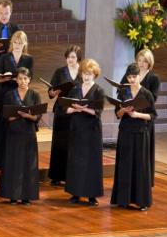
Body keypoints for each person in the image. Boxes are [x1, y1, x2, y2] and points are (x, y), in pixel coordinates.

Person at [111, 64, 156, 211]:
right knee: (124, 165)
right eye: (129, 77)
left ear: (139, 76)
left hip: (140, 133)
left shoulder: (146, 94)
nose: (131, 80)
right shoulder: (123, 92)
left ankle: (141, 201)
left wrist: (137, 114)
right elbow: (117, 114)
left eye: (134, 77)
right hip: (125, 131)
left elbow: (152, 115)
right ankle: (123, 200)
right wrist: (123, 110)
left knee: (140, 166)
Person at [65, 59, 105, 206]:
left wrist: (84, 109)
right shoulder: (75, 89)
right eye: (84, 73)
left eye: (89, 74)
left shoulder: (99, 90)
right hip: (77, 129)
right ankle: (75, 193)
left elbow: (98, 112)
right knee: (76, 161)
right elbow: (66, 109)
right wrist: (75, 109)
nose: (86, 77)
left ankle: (91, 195)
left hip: (92, 131)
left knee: (91, 162)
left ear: (94, 74)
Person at [0, 67, 41, 205]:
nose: (23, 81)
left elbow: (36, 116)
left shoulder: (35, 95)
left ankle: (26, 196)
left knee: (28, 165)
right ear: (16, 79)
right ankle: (12, 195)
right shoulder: (10, 95)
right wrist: (20, 115)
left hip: (28, 134)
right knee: (13, 164)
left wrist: (27, 115)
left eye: (25, 78)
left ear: (29, 80)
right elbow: (6, 116)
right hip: (13, 134)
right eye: (20, 78)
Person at [0, 30, 33, 168]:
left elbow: (30, 77)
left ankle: (16, 158)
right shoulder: (4, 57)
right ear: (11, 43)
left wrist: (20, 79)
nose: (17, 45)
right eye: (15, 42)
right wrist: (2, 77)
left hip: (20, 95)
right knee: (2, 127)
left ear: (24, 44)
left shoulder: (28, 59)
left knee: (17, 126)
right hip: (5, 94)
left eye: (20, 43)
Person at [121, 48, 160, 185]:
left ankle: (145, 181)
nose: (142, 63)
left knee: (144, 153)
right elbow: (121, 88)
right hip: (129, 119)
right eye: (139, 60)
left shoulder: (153, 78)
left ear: (149, 63)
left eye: (144, 61)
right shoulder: (131, 74)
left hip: (144, 119)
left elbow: (152, 99)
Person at [47, 45, 83, 186]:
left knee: (74, 143)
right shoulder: (60, 72)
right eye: (68, 57)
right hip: (62, 109)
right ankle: (56, 176)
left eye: (73, 57)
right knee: (59, 143)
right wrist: (53, 92)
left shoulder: (83, 72)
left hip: (76, 110)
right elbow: (50, 91)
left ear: (78, 58)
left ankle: (72, 176)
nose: (70, 59)